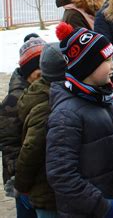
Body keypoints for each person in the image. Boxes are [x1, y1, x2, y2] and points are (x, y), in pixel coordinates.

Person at [46, 23, 113, 217]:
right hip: (93, 210)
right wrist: (101, 206)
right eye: (108, 60)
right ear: (86, 66)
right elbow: (61, 175)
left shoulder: (107, 97)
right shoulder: (66, 114)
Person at [15, 43, 66, 217]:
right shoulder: (47, 106)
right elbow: (30, 150)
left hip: (53, 190)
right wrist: (21, 186)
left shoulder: (40, 94)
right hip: (48, 195)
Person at [0, 35, 45, 218]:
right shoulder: (12, 102)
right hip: (22, 181)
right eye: (38, 69)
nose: (43, 72)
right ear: (28, 72)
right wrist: (20, 180)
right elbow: (9, 146)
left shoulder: (43, 88)